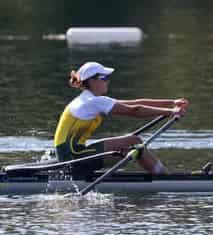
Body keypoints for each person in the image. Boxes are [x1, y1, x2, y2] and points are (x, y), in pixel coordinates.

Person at [54, 61, 189, 174]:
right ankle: (164, 178)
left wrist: (172, 103)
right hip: (73, 158)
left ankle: (161, 175)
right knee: (134, 141)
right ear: (92, 81)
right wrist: (170, 112)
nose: (108, 81)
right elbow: (135, 110)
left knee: (128, 146)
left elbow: (136, 103)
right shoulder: (92, 101)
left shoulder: (90, 98)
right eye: (104, 78)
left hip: (72, 155)